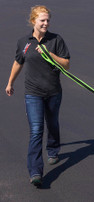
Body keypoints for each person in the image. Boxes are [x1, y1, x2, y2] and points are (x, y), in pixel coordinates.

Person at [5, 5, 70, 187]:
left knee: (53, 123)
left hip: (53, 92)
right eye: (42, 20)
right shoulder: (24, 42)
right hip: (33, 93)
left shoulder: (56, 40)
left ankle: (53, 149)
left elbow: (66, 64)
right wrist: (10, 82)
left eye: (48, 20)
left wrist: (50, 54)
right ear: (33, 21)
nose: (46, 23)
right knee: (36, 130)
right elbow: (18, 62)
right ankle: (35, 172)